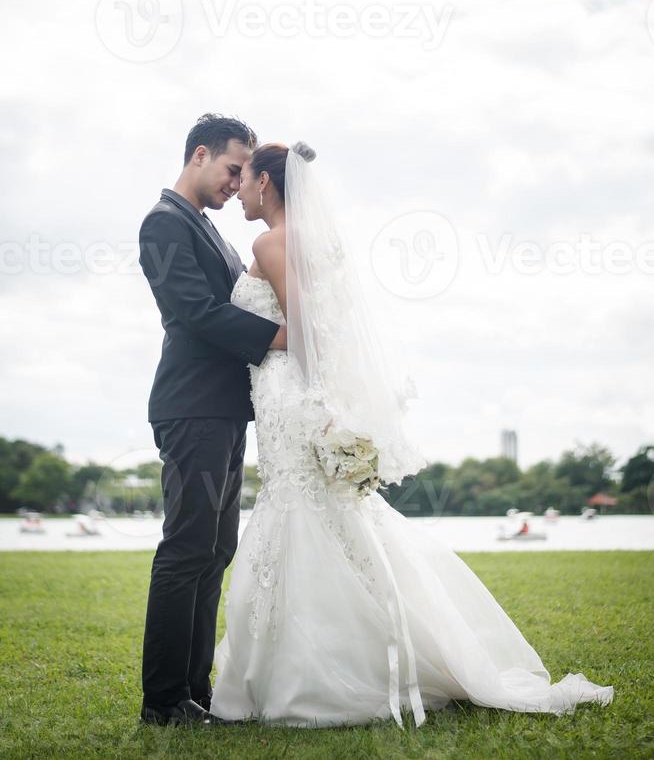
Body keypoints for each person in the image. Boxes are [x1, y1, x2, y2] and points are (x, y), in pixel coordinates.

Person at [210, 140, 615, 727]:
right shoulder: (312, 242)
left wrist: (300, 393)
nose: (239, 189)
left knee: (301, 513)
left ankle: (313, 676)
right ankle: (331, 657)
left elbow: (306, 334)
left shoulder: (271, 241)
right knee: (323, 518)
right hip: (295, 397)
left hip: (290, 398)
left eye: (244, 179)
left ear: (267, 183)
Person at [138, 114, 286, 726]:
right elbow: (196, 312)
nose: (237, 183)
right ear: (200, 155)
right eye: (231, 169)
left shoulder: (208, 229)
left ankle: (194, 693)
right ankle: (163, 701)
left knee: (215, 549)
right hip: (192, 407)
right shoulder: (163, 223)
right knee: (187, 549)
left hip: (223, 411)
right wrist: (284, 338)